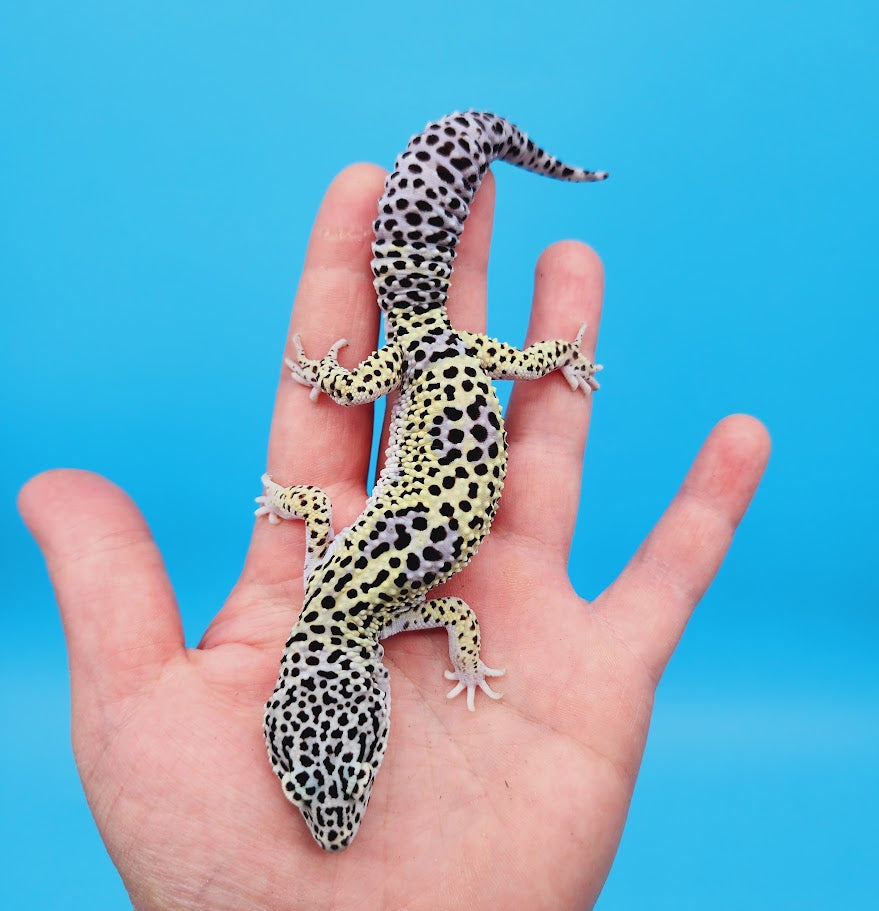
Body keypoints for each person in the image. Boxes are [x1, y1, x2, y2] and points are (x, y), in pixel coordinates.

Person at [18, 163, 769, 910]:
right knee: (503, 364)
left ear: (296, 707)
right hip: (456, 370)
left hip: (431, 363)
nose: (336, 815)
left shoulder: (376, 612)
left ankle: (505, 237)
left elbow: (454, 614)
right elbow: (321, 512)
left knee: (443, 365)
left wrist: (467, 662)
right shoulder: (327, 580)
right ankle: (546, 329)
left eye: (327, 784)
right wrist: (294, 492)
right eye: (351, 780)